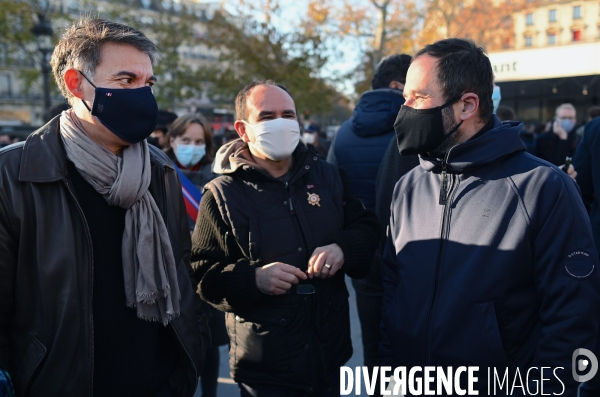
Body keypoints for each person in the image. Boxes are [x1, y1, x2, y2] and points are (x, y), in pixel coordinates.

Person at [0, 18, 209, 396]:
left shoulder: (160, 170)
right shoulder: (13, 174)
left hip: (159, 383)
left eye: (148, 83)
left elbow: (181, 274)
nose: (143, 96)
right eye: (127, 81)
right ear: (75, 83)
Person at [381, 38, 600, 395]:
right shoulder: (408, 187)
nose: (405, 109)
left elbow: (573, 321)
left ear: (467, 105)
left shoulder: (544, 188)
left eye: (418, 97)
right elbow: (393, 291)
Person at [191, 80, 380, 396]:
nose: (281, 123)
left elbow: (366, 227)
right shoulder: (222, 195)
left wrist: (343, 249)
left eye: (288, 115)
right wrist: (253, 280)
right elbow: (202, 274)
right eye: (267, 117)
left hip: (327, 355)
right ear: (243, 129)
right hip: (265, 368)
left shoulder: (328, 176)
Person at [326, 53, 411, 396]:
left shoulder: (344, 132)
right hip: (410, 248)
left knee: (374, 339)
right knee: (414, 338)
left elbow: (334, 193)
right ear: (396, 86)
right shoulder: (416, 125)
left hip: (365, 250)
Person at [165, 113, 225, 397]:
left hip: (205, 273)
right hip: (168, 273)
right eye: (186, 139)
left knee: (208, 344)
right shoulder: (156, 172)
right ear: (172, 140)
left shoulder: (218, 180)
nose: (192, 146)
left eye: (199, 141)